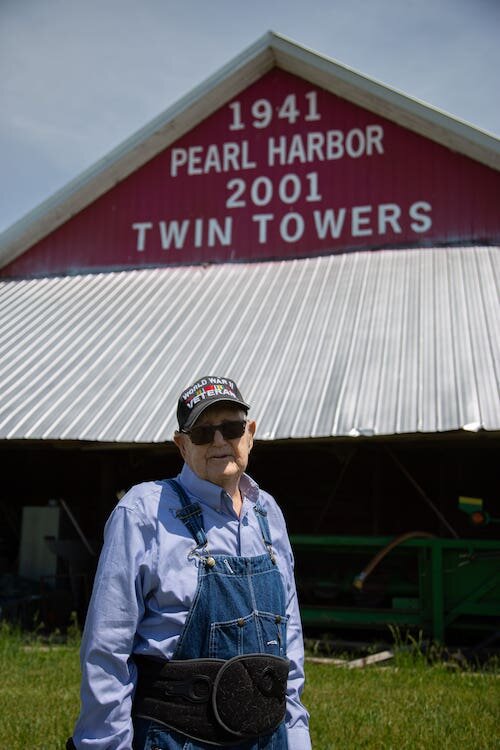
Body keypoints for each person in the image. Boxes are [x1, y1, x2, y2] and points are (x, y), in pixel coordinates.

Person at [69, 375, 311, 750]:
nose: (219, 441)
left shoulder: (268, 514)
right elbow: (106, 650)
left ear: (250, 433)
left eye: (230, 428)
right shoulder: (144, 513)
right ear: (182, 445)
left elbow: (289, 639)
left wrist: (296, 736)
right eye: (202, 433)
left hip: (269, 738)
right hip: (177, 739)